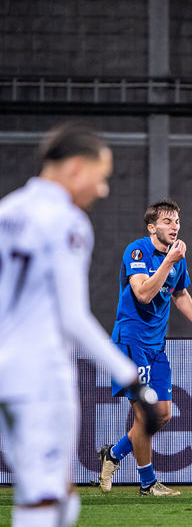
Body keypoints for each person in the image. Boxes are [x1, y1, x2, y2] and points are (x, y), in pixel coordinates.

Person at [0, 124, 159, 527]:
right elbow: (74, 317)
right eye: (100, 177)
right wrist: (134, 381)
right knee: (43, 504)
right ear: (74, 167)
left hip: (5, 375)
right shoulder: (68, 222)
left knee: (58, 498)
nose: (102, 190)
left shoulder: (7, 211)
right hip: (39, 378)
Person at [98, 199, 192, 496]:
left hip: (156, 346)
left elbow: (180, 295)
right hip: (132, 342)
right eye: (167, 221)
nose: (174, 226)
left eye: (177, 220)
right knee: (144, 415)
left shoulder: (177, 257)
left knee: (162, 414)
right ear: (152, 228)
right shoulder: (137, 251)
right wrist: (168, 262)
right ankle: (147, 483)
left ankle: (113, 454)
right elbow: (142, 294)